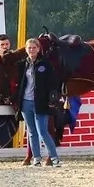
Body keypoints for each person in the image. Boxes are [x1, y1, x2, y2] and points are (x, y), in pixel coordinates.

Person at [17, 37, 61, 166]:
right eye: (29, 48)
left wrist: (52, 97)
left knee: (43, 131)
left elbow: (52, 82)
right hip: (26, 101)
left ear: (38, 49)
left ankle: (54, 157)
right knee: (31, 132)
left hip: (40, 102)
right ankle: (36, 158)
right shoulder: (23, 64)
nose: (31, 50)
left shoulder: (45, 64)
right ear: (26, 49)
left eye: (34, 47)